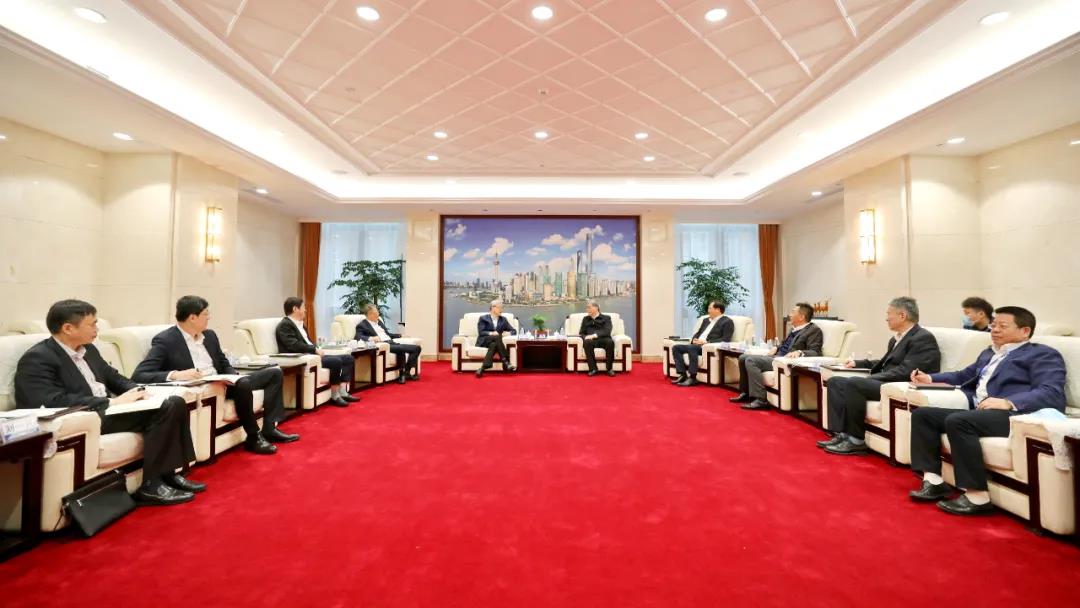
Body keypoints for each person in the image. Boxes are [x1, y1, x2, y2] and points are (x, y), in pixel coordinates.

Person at [15, 300, 202, 505]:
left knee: (174, 402)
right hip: (88, 416)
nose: (97, 329)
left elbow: (114, 377)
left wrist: (139, 391)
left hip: (109, 409)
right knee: (167, 408)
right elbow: (49, 400)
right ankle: (152, 486)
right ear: (68, 328)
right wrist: (110, 402)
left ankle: (169, 474)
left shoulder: (89, 350)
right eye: (92, 324)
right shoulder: (38, 358)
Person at [908, 306, 1065, 515]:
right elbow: (964, 375)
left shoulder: (1043, 354)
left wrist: (1008, 402)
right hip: (982, 411)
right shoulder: (990, 352)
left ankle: (977, 497)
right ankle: (934, 481)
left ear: (1025, 331)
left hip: (1017, 415)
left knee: (959, 421)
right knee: (923, 415)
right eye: (993, 325)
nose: (995, 330)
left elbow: (1051, 391)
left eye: (1002, 326)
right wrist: (929, 378)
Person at [133, 296, 298, 455]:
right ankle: (254, 437)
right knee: (243, 384)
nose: (209, 317)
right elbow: (140, 374)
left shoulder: (210, 335)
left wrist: (233, 376)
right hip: (208, 389)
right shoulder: (166, 340)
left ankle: (269, 428)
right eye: (205, 314)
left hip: (226, 382)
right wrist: (176, 374)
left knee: (274, 373)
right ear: (192, 318)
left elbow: (223, 362)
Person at [819, 297, 940, 455]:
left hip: (898, 384)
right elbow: (885, 363)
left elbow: (906, 370)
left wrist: (871, 379)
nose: (886, 318)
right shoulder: (896, 339)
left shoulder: (922, 338)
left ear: (902, 316)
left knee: (854, 383)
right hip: (885, 381)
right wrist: (858, 363)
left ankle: (856, 440)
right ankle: (841, 434)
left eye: (889, 313)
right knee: (835, 381)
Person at [732, 302, 825, 410]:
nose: (790, 315)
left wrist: (800, 352)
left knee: (750, 360)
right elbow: (785, 344)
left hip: (784, 360)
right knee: (743, 357)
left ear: (801, 317)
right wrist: (776, 347)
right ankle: (746, 393)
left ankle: (761, 400)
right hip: (777, 356)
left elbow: (815, 351)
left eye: (793, 312)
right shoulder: (794, 329)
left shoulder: (814, 330)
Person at [275, 297, 357, 406]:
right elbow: (293, 345)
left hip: (313, 355)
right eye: (303, 307)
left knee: (348, 358)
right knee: (335, 361)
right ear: (295, 309)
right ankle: (335, 395)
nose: (305, 310)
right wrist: (314, 349)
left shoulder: (300, 325)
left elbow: (308, 342)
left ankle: (342, 391)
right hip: (305, 357)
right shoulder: (285, 325)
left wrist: (317, 348)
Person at [354, 304, 422, 384]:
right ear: (369, 314)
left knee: (417, 348)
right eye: (376, 313)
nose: (378, 314)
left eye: (377, 312)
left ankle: (406, 372)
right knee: (402, 350)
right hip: (385, 345)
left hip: (392, 343)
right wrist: (371, 338)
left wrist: (400, 335)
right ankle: (403, 374)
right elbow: (357, 337)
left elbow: (388, 334)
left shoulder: (379, 322)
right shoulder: (362, 325)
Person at [671, 300, 733, 387]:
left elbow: (726, 339)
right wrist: (694, 339)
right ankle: (683, 374)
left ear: (718, 310)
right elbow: (699, 332)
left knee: (692, 348)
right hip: (696, 345)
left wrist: (706, 342)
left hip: (706, 347)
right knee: (676, 347)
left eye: (710, 308)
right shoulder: (706, 320)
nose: (708, 310)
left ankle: (693, 377)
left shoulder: (727, 321)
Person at [474, 300, 517, 378]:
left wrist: (508, 333)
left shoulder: (503, 320)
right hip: (484, 341)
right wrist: (491, 333)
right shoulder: (483, 318)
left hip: (496, 342)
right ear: (493, 308)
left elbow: (514, 331)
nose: (502, 310)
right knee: (497, 336)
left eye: (502, 308)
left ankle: (482, 368)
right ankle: (506, 362)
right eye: (500, 308)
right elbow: (481, 332)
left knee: (493, 345)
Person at [579, 300, 616, 377]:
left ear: (596, 308)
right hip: (591, 341)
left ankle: (609, 369)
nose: (587, 310)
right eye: (587, 308)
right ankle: (593, 369)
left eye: (589, 307)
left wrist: (594, 335)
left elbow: (607, 331)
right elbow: (581, 333)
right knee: (587, 342)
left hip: (604, 339)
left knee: (610, 342)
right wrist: (585, 337)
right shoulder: (585, 319)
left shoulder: (606, 318)